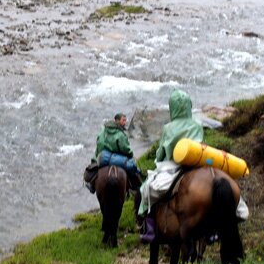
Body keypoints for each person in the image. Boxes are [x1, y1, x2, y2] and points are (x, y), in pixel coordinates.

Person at [139, 89, 203, 242]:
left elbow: (161, 152)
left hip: (173, 165)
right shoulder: (198, 123)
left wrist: (158, 159)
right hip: (196, 163)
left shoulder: (168, 128)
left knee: (147, 189)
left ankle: (149, 227)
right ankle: (214, 228)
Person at [84, 113, 141, 193]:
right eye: (123, 120)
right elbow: (125, 149)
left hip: (103, 155)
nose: (125, 122)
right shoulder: (121, 134)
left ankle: (92, 186)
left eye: (125, 120)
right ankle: (135, 188)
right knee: (133, 170)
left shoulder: (103, 131)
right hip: (118, 157)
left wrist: (97, 155)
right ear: (117, 120)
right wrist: (130, 155)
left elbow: (99, 143)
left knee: (94, 168)